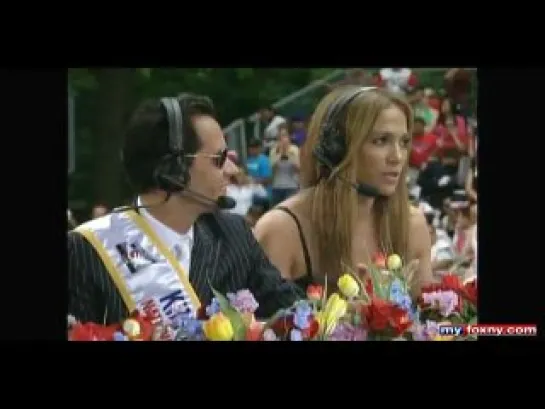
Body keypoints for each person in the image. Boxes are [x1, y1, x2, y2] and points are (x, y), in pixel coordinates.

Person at [68, 93, 303, 325]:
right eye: (219, 159)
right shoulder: (87, 251)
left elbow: (295, 313)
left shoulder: (235, 235)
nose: (232, 170)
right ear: (172, 169)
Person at [254, 86, 434, 298]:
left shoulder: (412, 224)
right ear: (337, 149)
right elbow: (260, 326)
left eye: (403, 142)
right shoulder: (281, 230)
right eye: (380, 141)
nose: (397, 157)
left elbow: (432, 323)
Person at [269, 123, 300, 206]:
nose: (282, 139)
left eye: (284, 136)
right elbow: (272, 168)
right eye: (280, 137)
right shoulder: (274, 150)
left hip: (291, 186)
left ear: (289, 137)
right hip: (277, 186)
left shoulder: (295, 149)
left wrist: (288, 154)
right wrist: (280, 154)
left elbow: (298, 168)